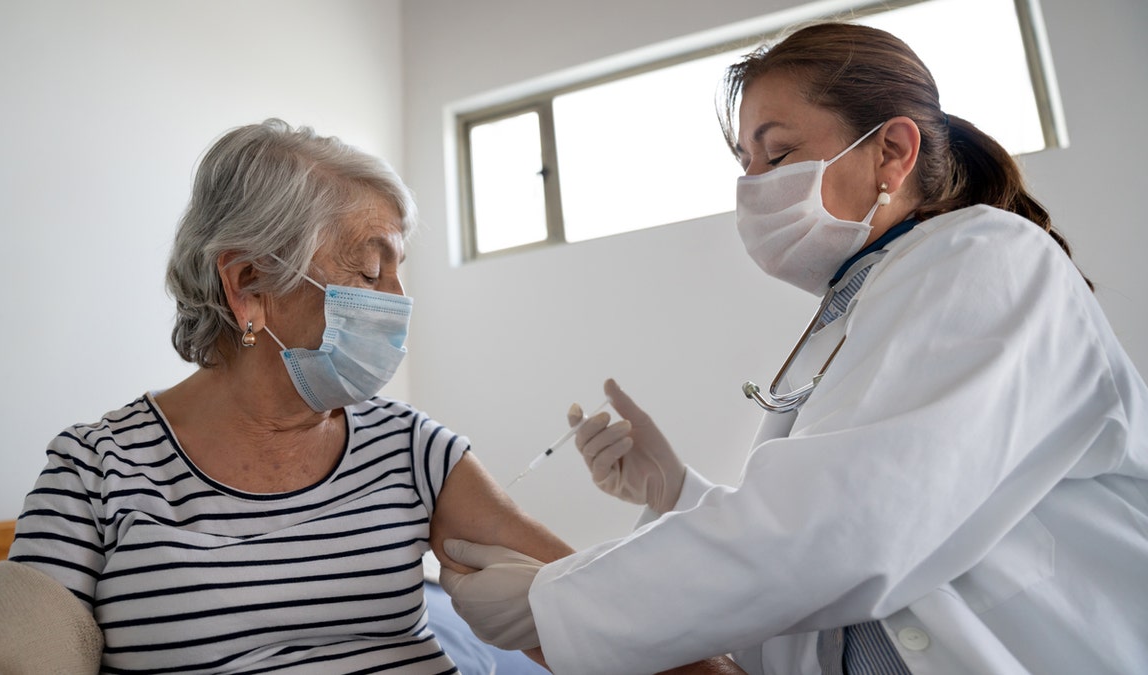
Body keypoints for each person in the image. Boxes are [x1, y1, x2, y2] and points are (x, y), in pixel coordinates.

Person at [439, 22, 1148, 675]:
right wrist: (678, 493)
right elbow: (808, 580)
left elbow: (848, 526)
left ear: (892, 152)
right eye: (746, 163)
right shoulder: (857, 314)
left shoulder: (987, 259)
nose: (753, 187)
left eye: (777, 154)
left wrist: (557, 601)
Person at [0, 118, 585, 674]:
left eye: (398, 272)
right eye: (369, 272)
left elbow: (603, 609)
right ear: (248, 284)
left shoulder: (413, 449)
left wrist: (669, 505)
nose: (396, 299)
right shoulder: (95, 471)